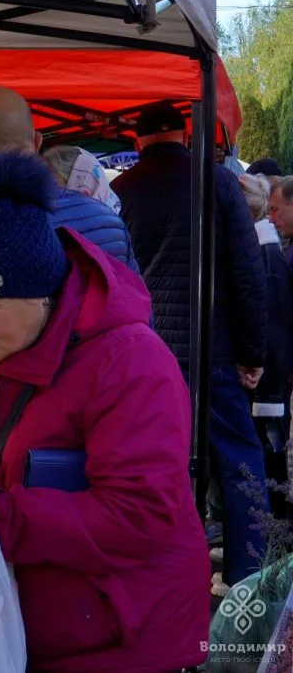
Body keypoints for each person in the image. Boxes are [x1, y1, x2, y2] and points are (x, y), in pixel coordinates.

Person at [0, 152, 208, 673]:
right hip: (2, 627)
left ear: (41, 293)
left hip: (118, 642)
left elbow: (140, 516)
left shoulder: (130, 362)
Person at [111, 102, 269, 588]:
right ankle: (250, 578)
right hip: (213, 349)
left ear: (137, 143)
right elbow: (247, 273)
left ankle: (169, 572)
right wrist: (252, 354)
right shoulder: (218, 182)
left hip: (147, 351)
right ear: (184, 134)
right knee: (240, 460)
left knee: (162, 461)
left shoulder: (120, 191)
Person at [0, 87, 141, 358]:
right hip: (105, 380)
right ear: (37, 142)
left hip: (11, 393)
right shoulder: (109, 220)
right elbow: (136, 313)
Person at [240, 173, 293, 521]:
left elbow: (276, 321)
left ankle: (278, 526)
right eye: (269, 210)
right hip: (277, 373)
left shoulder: (270, 252)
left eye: (278, 209)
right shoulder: (279, 248)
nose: (273, 217)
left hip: (276, 377)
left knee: (275, 450)